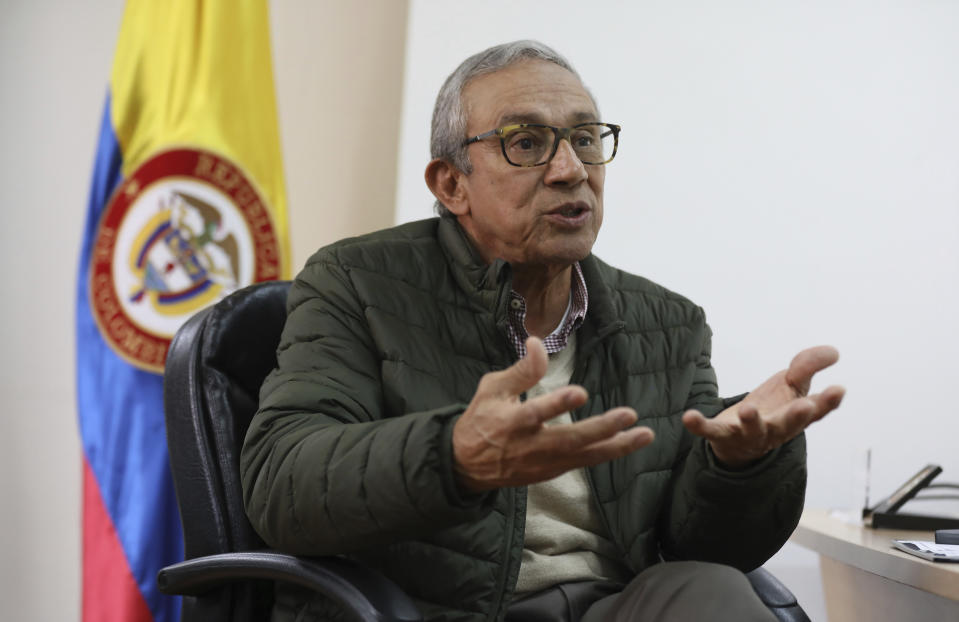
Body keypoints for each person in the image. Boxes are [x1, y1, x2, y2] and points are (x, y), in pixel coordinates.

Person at [240, 40, 845, 622]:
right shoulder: (356, 282)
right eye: (527, 143)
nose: (570, 169)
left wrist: (738, 465)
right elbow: (282, 482)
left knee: (710, 588)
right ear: (452, 183)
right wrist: (453, 457)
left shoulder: (668, 324)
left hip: (613, 605)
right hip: (434, 608)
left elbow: (701, 545)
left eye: (585, 139)